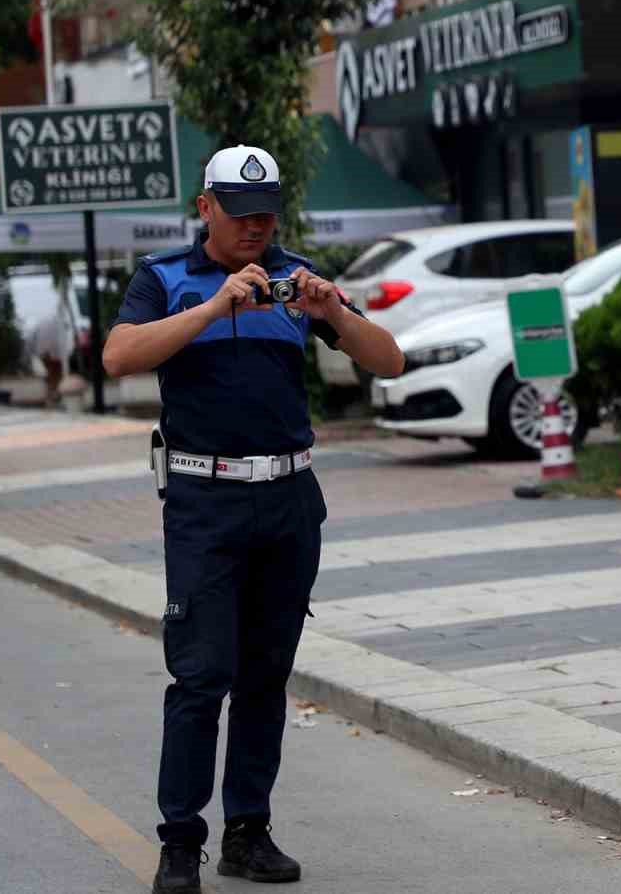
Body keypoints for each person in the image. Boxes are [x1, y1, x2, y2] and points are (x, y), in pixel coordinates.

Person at [103, 145, 404, 894]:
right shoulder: (164, 278)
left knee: (266, 678)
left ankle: (249, 831)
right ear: (204, 207)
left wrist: (332, 311)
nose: (254, 228)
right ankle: (180, 844)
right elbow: (117, 356)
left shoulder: (296, 278)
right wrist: (212, 308)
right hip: (206, 502)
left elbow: (390, 360)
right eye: (239, 215)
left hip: (289, 498)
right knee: (201, 676)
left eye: (266, 214)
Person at [31, 302, 75, 408]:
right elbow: (64, 341)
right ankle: (53, 398)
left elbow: (35, 338)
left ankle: (51, 398)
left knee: (50, 377)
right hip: (55, 355)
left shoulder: (45, 321)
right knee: (55, 377)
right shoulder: (61, 323)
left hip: (45, 353)